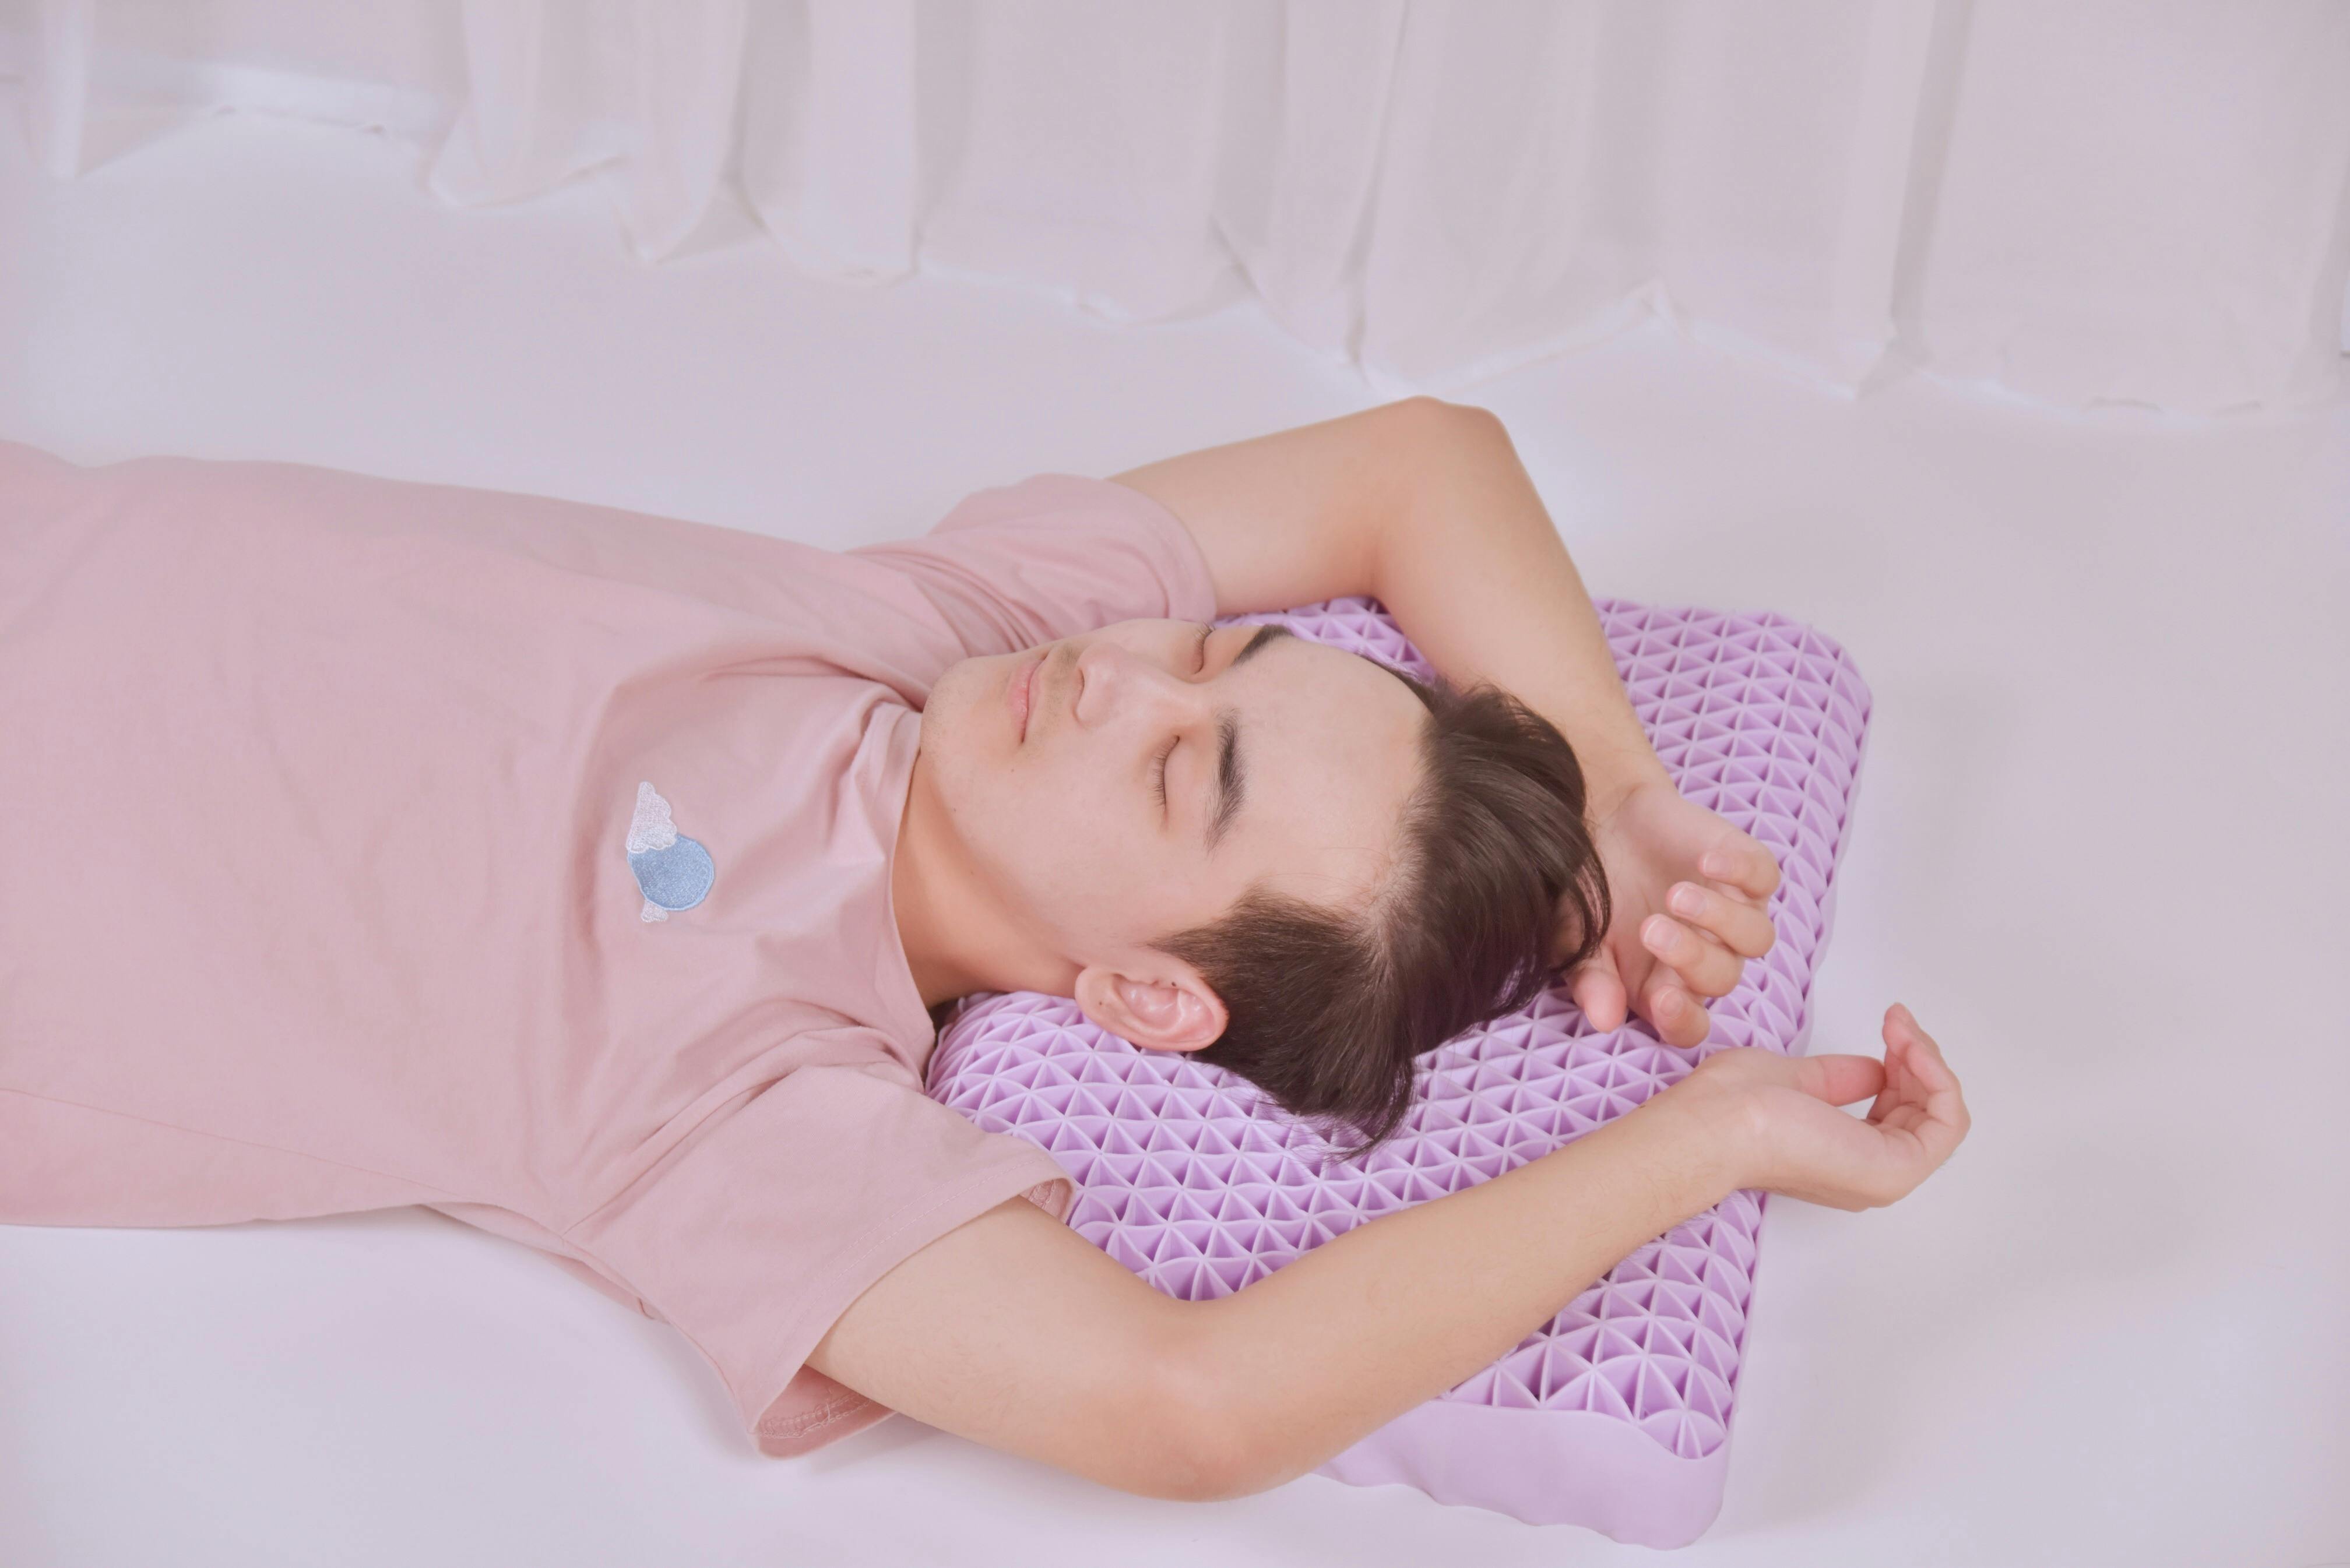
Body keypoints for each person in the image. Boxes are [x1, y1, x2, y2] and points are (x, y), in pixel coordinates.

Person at [0, 398, 1968, 1505]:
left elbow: (1190, 1403)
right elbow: (1421, 465)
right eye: (1206, 655)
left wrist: (1708, 1135)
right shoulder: (924, 631)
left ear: (1147, 995)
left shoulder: (749, 1088)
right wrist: (1614, 794)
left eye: (1182, 774)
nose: (1116, 681)